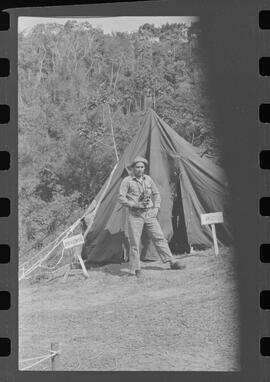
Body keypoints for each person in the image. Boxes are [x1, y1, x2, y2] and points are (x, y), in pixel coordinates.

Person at [119, 156, 186, 276]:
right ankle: (135, 269)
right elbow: (121, 198)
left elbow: (156, 194)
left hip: (149, 214)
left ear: (145, 168)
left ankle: (172, 261)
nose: (140, 169)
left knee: (159, 237)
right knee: (134, 242)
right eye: (137, 167)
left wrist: (156, 208)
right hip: (135, 215)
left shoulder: (148, 179)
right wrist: (136, 204)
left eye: (142, 167)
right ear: (133, 168)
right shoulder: (127, 181)